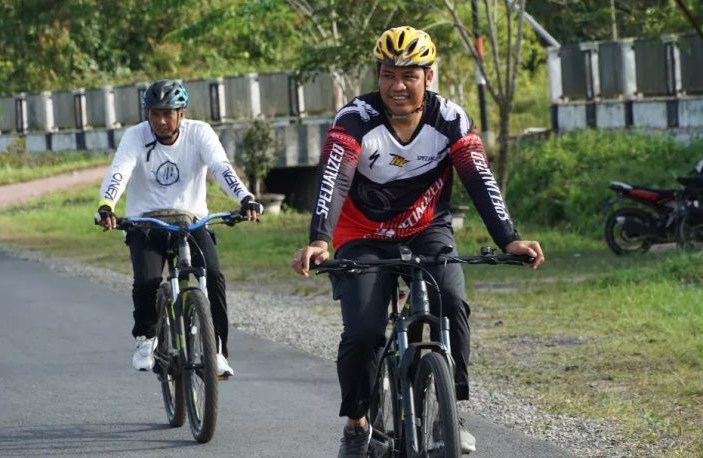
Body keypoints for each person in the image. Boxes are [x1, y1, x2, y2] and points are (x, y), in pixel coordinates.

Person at [291, 26, 544, 456]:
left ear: (429, 76)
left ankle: (453, 413)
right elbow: (333, 180)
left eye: (409, 75)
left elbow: (479, 178)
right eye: (389, 74)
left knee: (452, 300)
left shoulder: (450, 120)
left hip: (428, 230)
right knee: (364, 333)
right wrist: (319, 238)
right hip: (362, 235)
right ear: (378, 75)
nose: (398, 86)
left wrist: (509, 239)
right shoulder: (353, 120)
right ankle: (357, 424)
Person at [95, 79, 262, 377]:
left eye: (168, 113)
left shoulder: (199, 133)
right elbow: (120, 170)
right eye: (155, 113)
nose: (160, 120)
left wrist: (245, 198)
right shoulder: (135, 136)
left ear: (182, 113)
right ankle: (146, 339)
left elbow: (220, 166)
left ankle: (217, 351)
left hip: (190, 220)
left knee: (213, 275)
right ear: (147, 113)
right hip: (145, 221)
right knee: (147, 281)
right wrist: (107, 204)